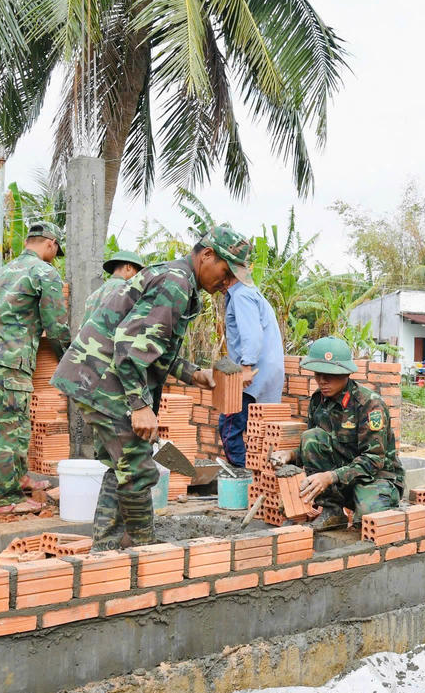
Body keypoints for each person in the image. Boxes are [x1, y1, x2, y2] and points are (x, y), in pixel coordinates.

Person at [51, 235, 235, 549]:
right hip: (104, 382)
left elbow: (156, 351)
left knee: (122, 464)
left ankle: (105, 547)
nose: (227, 282)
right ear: (207, 255)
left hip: (97, 379)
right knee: (138, 469)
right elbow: (129, 345)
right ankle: (145, 549)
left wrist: (195, 374)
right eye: (226, 272)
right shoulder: (175, 284)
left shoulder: (181, 282)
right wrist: (139, 405)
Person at [0, 221, 72, 514]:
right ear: (50, 243)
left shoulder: (2, 272)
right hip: (11, 357)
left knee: (8, 423)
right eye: (56, 250)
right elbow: (55, 326)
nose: (55, 256)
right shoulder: (44, 272)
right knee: (13, 428)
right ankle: (6, 498)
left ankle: (18, 477)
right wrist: (69, 362)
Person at [269, 337, 405, 531]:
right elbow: (317, 447)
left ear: (346, 374)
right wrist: (290, 455)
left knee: (367, 522)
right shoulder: (318, 401)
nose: (322, 381)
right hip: (341, 475)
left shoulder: (369, 405)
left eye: (329, 375)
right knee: (311, 437)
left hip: (376, 477)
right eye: (318, 374)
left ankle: (374, 503)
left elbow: (374, 461)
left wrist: (330, 477)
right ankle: (332, 511)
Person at [209, 226, 285, 469]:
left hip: (253, 373)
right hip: (267, 371)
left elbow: (251, 335)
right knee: (256, 431)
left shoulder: (241, 295)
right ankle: (256, 476)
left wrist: (245, 368)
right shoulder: (249, 293)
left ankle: (243, 475)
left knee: (229, 425)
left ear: (226, 272)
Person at [82, 250, 145, 322]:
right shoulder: (128, 289)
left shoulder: (94, 295)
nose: (138, 276)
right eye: (137, 271)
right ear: (129, 267)